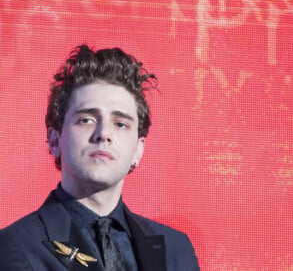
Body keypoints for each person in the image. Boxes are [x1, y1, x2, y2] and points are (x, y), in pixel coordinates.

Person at [0, 45, 200, 271]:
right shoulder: (12, 247)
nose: (104, 133)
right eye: (87, 119)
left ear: (138, 150)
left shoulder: (176, 250)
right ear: (55, 140)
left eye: (121, 124)